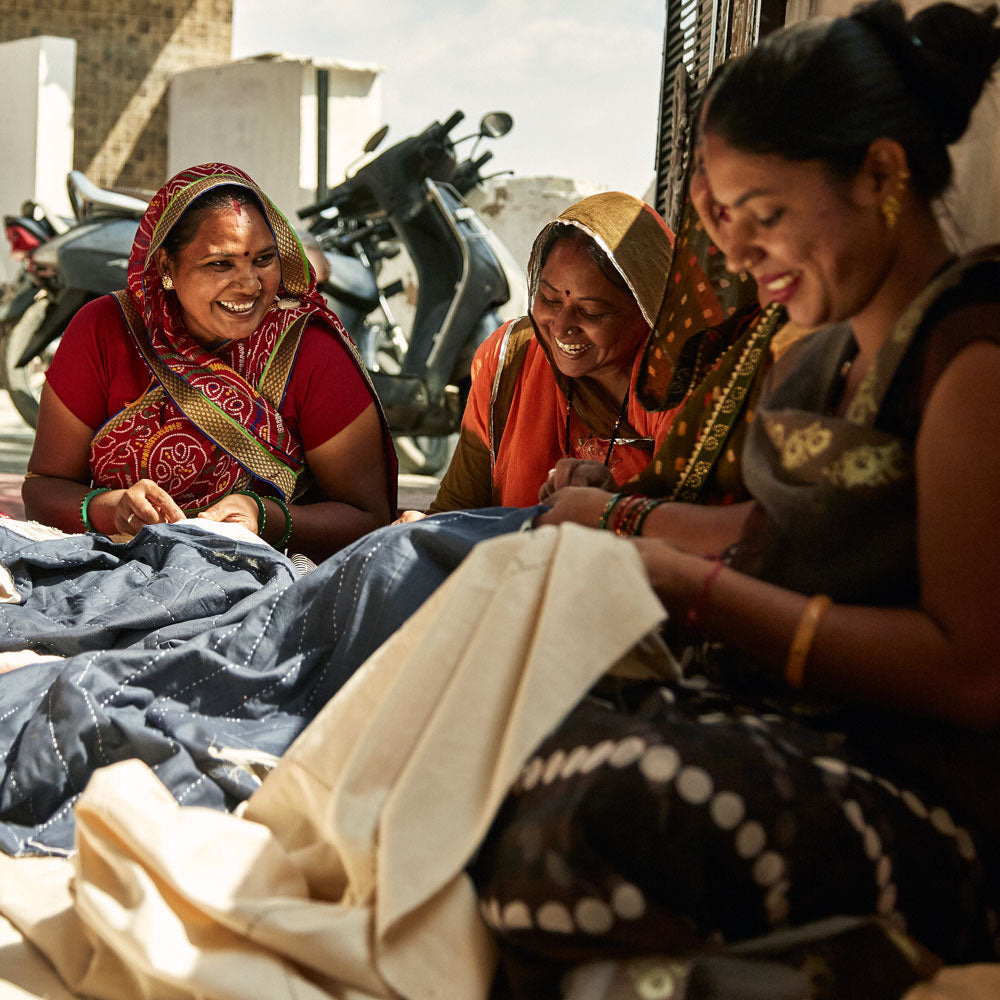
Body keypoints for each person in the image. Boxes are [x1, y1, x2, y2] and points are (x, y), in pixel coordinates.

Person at [469, 1, 1000, 993]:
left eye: (762, 214)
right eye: (719, 220)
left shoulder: (971, 357)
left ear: (881, 174)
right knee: (491, 739)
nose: (742, 254)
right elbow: (770, 542)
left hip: (928, 793)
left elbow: (974, 676)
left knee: (595, 816)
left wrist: (687, 585)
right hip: (789, 727)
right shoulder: (825, 359)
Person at [22, 163, 397, 562]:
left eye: (264, 259)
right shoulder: (107, 330)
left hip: (260, 583)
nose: (250, 285)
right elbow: (44, 487)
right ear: (167, 267)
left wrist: (264, 518)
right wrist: (112, 509)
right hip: (115, 569)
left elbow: (369, 519)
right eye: (220, 264)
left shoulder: (308, 350)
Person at [422, 191, 676, 514]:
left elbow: (687, 536)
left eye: (592, 311)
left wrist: (612, 511)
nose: (561, 326)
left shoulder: (678, 377)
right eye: (549, 299)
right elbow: (454, 511)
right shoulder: (508, 361)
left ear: (647, 306)